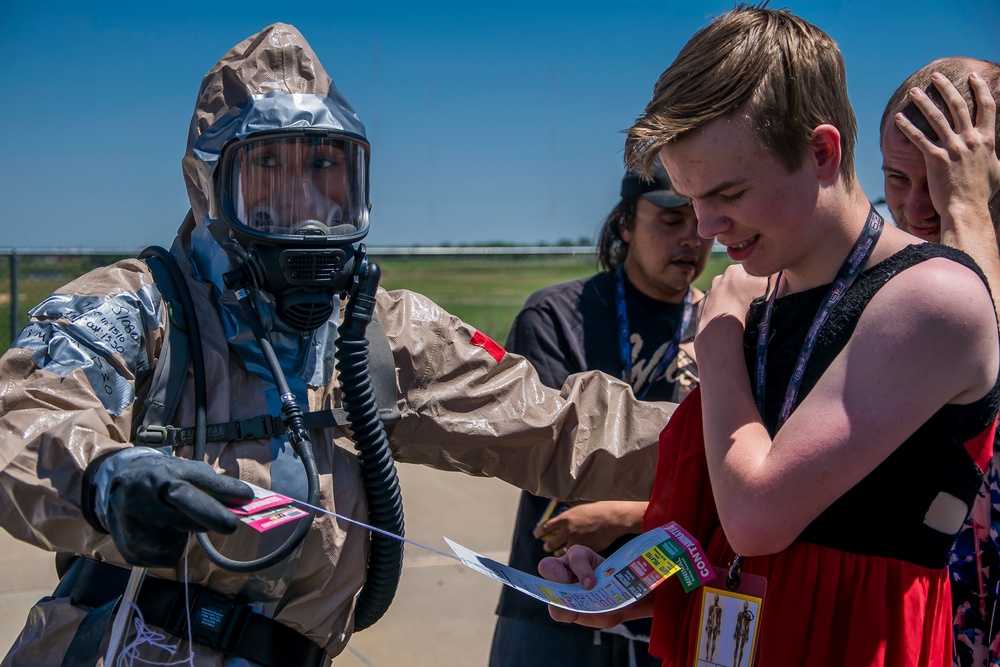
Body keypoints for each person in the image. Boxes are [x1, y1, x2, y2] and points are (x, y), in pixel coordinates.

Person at [0, 24, 674, 667]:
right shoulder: (141, 307)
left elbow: (558, 426)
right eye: (268, 169)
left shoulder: (379, 330)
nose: (305, 202)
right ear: (210, 186)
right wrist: (104, 479)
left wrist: (731, 441)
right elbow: (27, 417)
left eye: (327, 168)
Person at [539, 6, 1000, 667]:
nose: (704, 226)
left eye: (727, 192)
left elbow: (758, 516)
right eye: (691, 197)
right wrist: (634, 586)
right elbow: (752, 542)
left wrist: (720, 332)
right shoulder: (770, 288)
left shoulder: (932, 297)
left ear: (821, 152)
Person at [489, 163, 711, 667]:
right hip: (557, 592)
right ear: (625, 224)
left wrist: (622, 515)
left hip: (673, 599)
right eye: (670, 220)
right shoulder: (555, 318)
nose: (691, 239)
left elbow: (732, 473)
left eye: (701, 221)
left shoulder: (724, 326)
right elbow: (543, 453)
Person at [880, 58, 1000, 667]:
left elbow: (985, 360)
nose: (917, 207)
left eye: (944, 176)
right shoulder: (893, 287)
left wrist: (970, 210)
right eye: (897, 179)